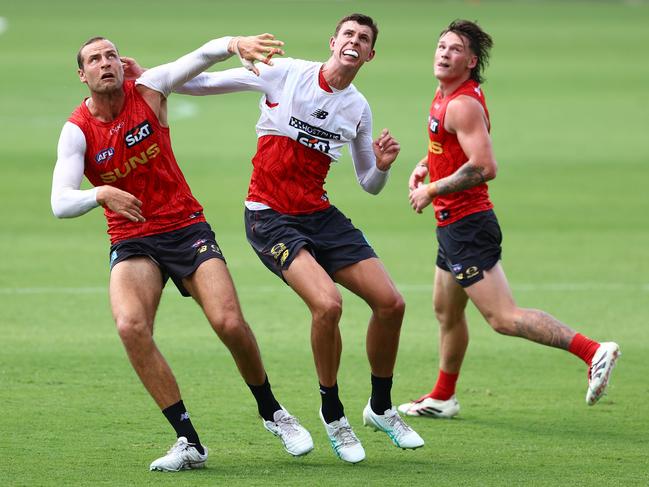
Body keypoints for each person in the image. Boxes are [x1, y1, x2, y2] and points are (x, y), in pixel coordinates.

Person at [157, 13, 424, 463]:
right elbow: (198, 86)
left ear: (371, 54)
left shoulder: (357, 107)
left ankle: (380, 407)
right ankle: (333, 413)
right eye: (349, 35)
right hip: (269, 216)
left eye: (364, 39)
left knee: (391, 304)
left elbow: (368, 183)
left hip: (318, 214)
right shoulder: (286, 74)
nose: (354, 42)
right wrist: (154, 80)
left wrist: (382, 164)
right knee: (328, 304)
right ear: (333, 41)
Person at [50, 33, 315, 472]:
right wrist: (100, 194)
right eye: (94, 59)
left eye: (111, 55)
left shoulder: (150, 89)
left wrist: (235, 43)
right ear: (83, 75)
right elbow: (60, 201)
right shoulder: (77, 129)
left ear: (121, 62)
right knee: (131, 326)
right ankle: (188, 441)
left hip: (184, 226)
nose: (105, 63)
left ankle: (273, 412)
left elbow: (199, 57)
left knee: (229, 322)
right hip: (132, 238)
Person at [399, 19, 620, 419]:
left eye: (454, 49)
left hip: (468, 224)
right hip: (452, 226)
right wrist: (426, 165)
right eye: (441, 46)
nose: (444, 53)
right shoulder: (446, 94)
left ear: (471, 60)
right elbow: (454, 145)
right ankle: (443, 396)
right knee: (446, 311)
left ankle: (593, 351)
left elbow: (484, 165)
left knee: (502, 317)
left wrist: (430, 189)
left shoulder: (461, 103)